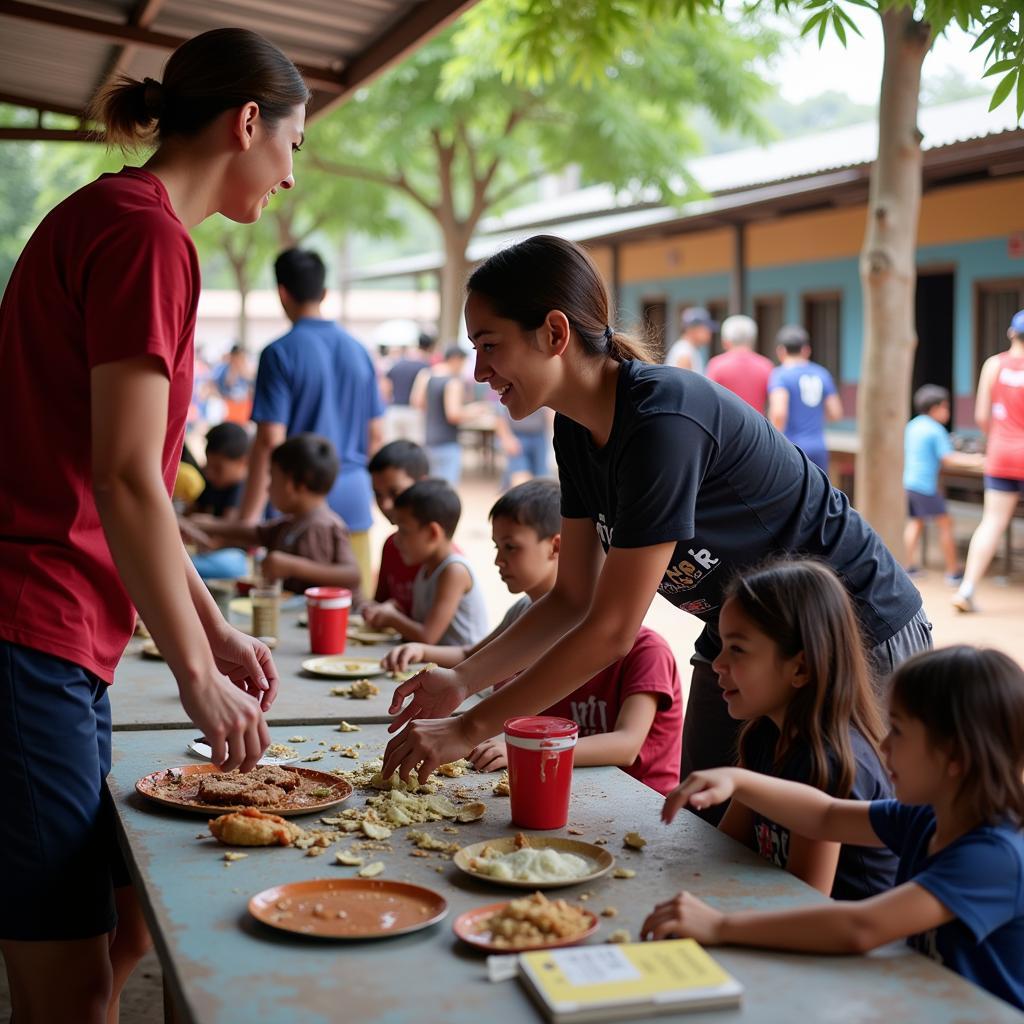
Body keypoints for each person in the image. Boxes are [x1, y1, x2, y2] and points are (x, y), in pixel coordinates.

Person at [379, 235, 928, 818]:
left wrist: (470, 728)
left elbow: (613, 628)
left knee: (839, 848)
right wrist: (461, 681)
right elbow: (572, 597)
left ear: (555, 334)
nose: (479, 369)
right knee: (705, 823)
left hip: (854, 631)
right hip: (740, 637)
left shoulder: (662, 418)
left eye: (490, 345)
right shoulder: (573, 428)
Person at [0, 27, 303, 1023]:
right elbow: (128, 479)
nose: (290, 178)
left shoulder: (117, 216)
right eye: (291, 146)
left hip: (61, 632)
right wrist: (193, 675)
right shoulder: (146, 234)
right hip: (31, 629)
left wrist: (213, 630)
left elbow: (135, 496)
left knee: (126, 929)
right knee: (69, 988)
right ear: (246, 123)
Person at [642, 645, 1024, 1013]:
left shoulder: (992, 857)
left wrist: (721, 926)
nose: (884, 745)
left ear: (956, 756)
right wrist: (739, 781)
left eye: (900, 732)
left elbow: (862, 927)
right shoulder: (927, 816)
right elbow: (825, 815)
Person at [384, 479, 683, 794]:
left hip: (636, 803)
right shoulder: (528, 631)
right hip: (563, 786)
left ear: (557, 547)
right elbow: (474, 663)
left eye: (511, 547)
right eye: (497, 547)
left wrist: (525, 746)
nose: (498, 561)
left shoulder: (648, 651)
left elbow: (627, 745)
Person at [711, 560, 897, 898]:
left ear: (801, 667)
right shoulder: (763, 736)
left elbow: (804, 900)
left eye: (737, 649)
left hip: (833, 940)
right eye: (722, 645)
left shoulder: (830, 763)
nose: (717, 663)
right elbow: (724, 851)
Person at [241, 248, 384, 597]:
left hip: (298, 507)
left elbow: (270, 440)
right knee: (346, 620)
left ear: (282, 292)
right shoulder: (358, 350)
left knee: (287, 621)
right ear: (324, 293)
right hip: (353, 500)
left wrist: (247, 516)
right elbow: (375, 436)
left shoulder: (279, 352)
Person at [196, 434, 362, 602]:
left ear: (291, 485)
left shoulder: (325, 525)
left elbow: (352, 575)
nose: (268, 488)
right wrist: (207, 525)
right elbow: (254, 533)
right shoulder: (290, 524)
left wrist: (293, 566)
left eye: (273, 479)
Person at [953, 310, 1024, 613]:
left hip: (1000, 453)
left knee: (992, 521)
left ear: (1011, 333)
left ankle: (967, 588)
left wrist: (999, 438)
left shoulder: (993, 365)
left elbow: (982, 416)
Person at [363, 479, 488, 646]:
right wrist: (395, 609)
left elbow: (427, 637)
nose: (397, 540)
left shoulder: (454, 571)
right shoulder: (426, 567)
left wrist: (392, 618)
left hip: (465, 667)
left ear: (432, 533)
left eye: (404, 531)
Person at [903, 384, 979, 583]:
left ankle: (908, 566)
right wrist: (978, 460)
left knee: (915, 522)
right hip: (925, 485)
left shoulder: (913, 425)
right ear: (934, 408)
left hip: (910, 481)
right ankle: (953, 572)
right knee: (946, 524)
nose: (947, 412)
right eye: (945, 407)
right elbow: (948, 458)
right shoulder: (935, 430)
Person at [768, 324, 843, 473]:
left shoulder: (780, 375)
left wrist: (773, 443)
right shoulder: (822, 373)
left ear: (780, 351)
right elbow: (836, 413)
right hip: (818, 446)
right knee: (819, 493)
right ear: (806, 350)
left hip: (791, 447)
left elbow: (779, 413)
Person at [368, 439, 431, 614]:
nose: (385, 504)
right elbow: (379, 603)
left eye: (394, 492)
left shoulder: (442, 557)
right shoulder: (391, 545)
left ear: (422, 484)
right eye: (377, 495)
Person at [184, 421, 252, 580]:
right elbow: (191, 514)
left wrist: (198, 527)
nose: (210, 473)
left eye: (218, 468)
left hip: (230, 557)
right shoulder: (209, 481)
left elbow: (218, 541)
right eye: (208, 465)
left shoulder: (241, 489)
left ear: (243, 462)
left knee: (233, 564)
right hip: (202, 554)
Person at [411, 345, 474, 484]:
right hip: (447, 441)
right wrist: (476, 411)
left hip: (429, 438)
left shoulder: (427, 375)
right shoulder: (453, 381)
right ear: (456, 359)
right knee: (446, 488)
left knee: (429, 485)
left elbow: (417, 402)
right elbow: (453, 414)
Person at [705, 314, 773, 412]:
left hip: (725, 425)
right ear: (753, 340)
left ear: (725, 341)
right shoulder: (766, 366)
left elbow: (708, 401)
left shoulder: (716, 365)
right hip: (757, 426)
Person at [384, 332, 433, 443]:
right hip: (413, 412)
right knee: (414, 450)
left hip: (394, 410)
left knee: (392, 448)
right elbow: (420, 395)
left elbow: (385, 388)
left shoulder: (397, 364)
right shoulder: (424, 366)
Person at [494, 406, 554, 486]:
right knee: (520, 475)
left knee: (541, 476)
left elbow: (551, 412)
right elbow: (500, 414)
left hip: (539, 435)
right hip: (517, 436)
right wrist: (506, 438)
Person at [665, 306, 716, 374]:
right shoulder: (684, 353)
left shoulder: (689, 349)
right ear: (693, 329)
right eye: (707, 329)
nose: (710, 333)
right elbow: (683, 384)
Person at [212, 343, 254, 423]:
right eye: (237, 357)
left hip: (243, 409)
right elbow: (220, 386)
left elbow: (252, 388)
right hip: (228, 408)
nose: (240, 360)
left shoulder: (246, 371)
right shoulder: (223, 370)